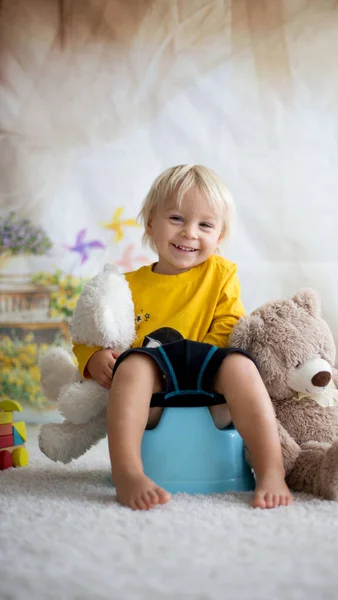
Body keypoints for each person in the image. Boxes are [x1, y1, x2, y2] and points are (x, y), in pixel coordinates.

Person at [73, 165, 293, 511]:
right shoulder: (125, 285)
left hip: (210, 395)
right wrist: (93, 356)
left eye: (205, 225)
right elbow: (89, 326)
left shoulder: (221, 274)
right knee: (133, 368)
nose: (189, 233)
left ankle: (271, 471)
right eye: (176, 218)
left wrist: (193, 362)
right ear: (150, 223)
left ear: (219, 236)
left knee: (240, 365)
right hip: (153, 401)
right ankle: (128, 473)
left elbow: (229, 327)